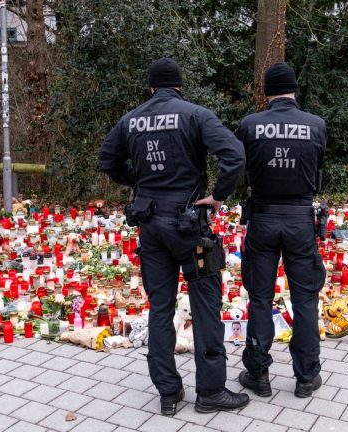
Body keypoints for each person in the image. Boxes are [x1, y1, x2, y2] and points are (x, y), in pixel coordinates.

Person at [99, 57, 249, 416]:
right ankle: (210, 391)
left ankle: (168, 392)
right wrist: (219, 195)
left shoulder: (131, 119)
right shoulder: (194, 114)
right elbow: (234, 155)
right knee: (205, 305)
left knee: (161, 307)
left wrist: (138, 181)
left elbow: (107, 159)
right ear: (179, 85)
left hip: (150, 225)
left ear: (151, 86)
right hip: (189, 224)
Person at [236, 62, 328, 399]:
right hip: (300, 219)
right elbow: (317, 167)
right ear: (293, 90)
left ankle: (258, 374)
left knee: (260, 297)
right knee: (305, 298)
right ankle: (306, 377)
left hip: (262, 217)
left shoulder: (250, 124)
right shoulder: (316, 125)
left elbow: (240, 166)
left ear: (266, 92)